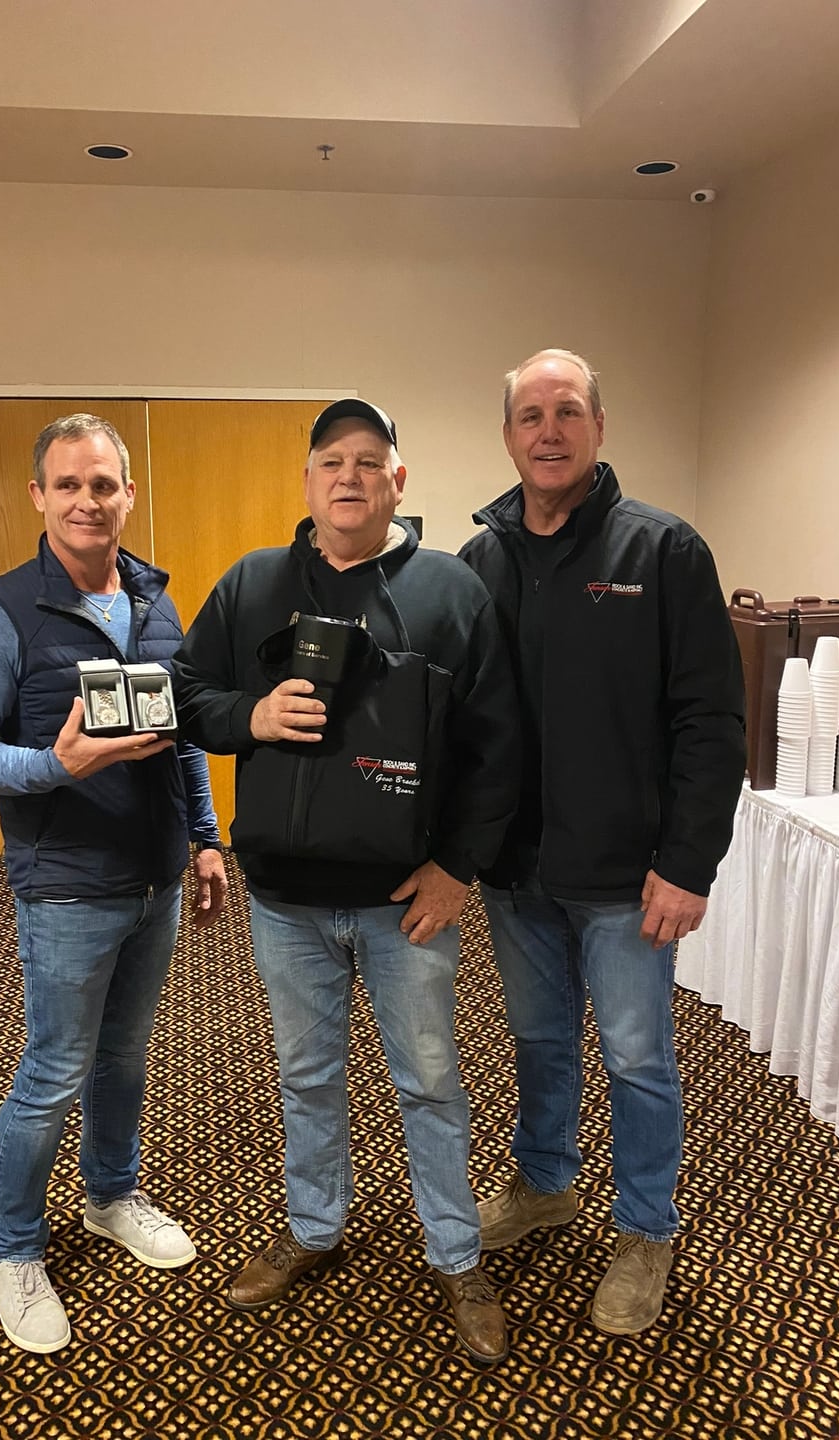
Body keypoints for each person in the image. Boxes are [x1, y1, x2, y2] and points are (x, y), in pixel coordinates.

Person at [173, 399, 519, 1366]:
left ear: (399, 481)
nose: (350, 477)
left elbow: (498, 752)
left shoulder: (452, 594)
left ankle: (455, 1253)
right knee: (306, 1075)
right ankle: (314, 1228)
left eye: (371, 461)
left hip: (408, 902)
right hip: (284, 900)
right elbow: (188, 695)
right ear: (309, 480)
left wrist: (459, 869)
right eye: (332, 460)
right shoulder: (252, 586)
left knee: (432, 1082)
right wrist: (251, 714)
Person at [459, 349, 745, 1334]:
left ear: (599, 427)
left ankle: (646, 1228)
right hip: (519, 873)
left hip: (630, 878)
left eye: (567, 411)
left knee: (636, 1059)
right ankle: (545, 1184)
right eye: (530, 414)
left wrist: (687, 862)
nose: (549, 430)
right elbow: (463, 718)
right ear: (508, 435)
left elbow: (710, 722)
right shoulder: (480, 561)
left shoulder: (662, 552)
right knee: (539, 1046)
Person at [0, 413, 228, 1354]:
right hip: (64, 886)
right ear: (39, 497)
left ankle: (110, 1197)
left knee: (124, 1060)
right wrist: (54, 766)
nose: (87, 501)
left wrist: (207, 840)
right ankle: (12, 1249)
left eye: (104, 485)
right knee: (54, 1071)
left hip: (156, 879)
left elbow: (177, 738)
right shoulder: (0, 612)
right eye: (68, 485)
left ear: (128, 495)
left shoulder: (156, 604)